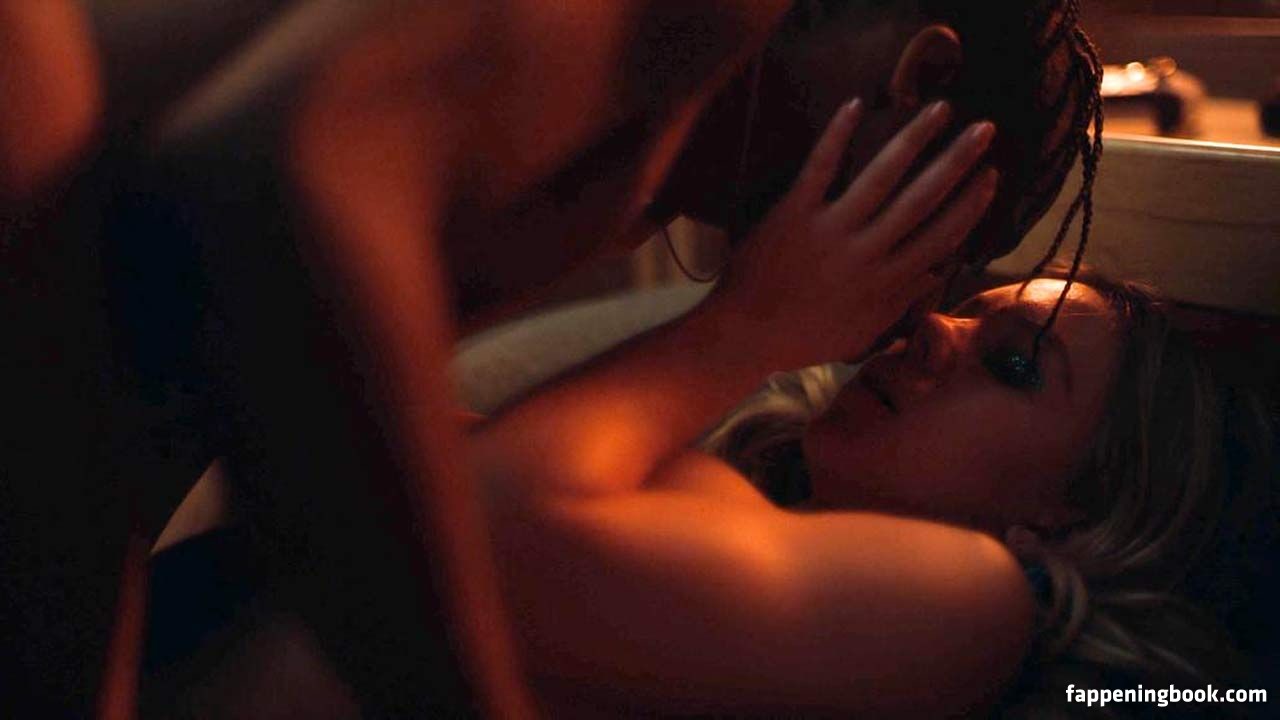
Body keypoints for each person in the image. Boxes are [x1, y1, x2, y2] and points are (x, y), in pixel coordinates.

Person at [1, 1, 1104, 716]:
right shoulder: (693, 26)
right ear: (918, 80)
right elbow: (246, 188)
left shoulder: (633, 185)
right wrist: (744, 329)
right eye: (934, 242)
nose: (904, 318)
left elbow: (158, 357)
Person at [468, 116, 1276, 713]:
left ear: (1073, 518)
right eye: (965, 311)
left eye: (1013, 364)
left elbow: (476, 530)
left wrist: (747, 326)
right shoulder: (736, 483)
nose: (930, 330)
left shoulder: (977, 603)